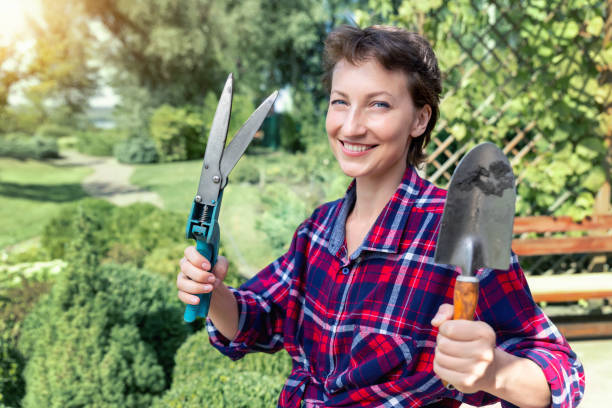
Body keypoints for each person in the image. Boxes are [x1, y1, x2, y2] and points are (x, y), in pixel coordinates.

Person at [177, 25, 585, 408]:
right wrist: (212, 290)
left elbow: (561, 370)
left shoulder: (457, 227)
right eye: (340, 102)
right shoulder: (317, 231)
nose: (351, 127)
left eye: (378, 104)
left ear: (420, 119)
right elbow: (256, 319)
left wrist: (494, 371)